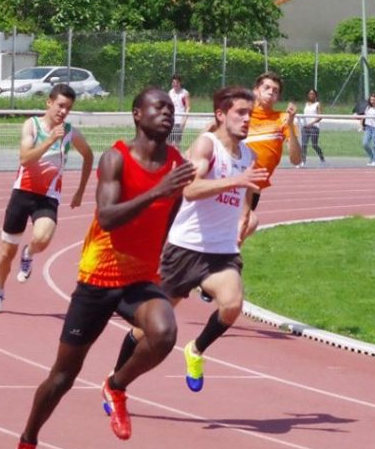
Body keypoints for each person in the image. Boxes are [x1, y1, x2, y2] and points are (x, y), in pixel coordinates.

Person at [8, 87, 197, 449]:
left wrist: (158, 257)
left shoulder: (177, 163)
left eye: (170, 107)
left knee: (164, 333)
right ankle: (27, 442)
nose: (167, 112)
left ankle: (115, 386)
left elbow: (171, 214)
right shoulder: (116, 158)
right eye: (157, 106)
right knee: (62, 377)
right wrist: (159, 189)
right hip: (99, 277)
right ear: (136, 114)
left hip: (140, 277)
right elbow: (109, 216)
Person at [109, 87, 268, 394]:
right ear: (220, 115)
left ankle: (195, 349)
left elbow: (248, 190)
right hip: (184, 250)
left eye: (251, 114)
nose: (248, 119)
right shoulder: (206, 147)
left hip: (221, 251)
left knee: (232, 304)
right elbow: (190, 190)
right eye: (241, 113)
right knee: (145, 329)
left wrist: (244, 215)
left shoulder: (249, 155)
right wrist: (236, 180)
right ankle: (116, 380)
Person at [0, 83, 94, 313]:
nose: (64, 112)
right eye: (60, 106)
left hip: (47, 196)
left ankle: (29, 253)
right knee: (6, 253)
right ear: (49, 103)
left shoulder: (70, 132)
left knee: (43, 238)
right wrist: (49, 141)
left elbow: (89, 155)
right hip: (22, 193)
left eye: (68, 108)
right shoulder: (32, 125)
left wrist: (80, 190)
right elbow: (25, 159)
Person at [242, 72, 300, 209]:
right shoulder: (242, 113)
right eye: (266, 88)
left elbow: (296, 160)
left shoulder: (283, 119)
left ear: (278, 97)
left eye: (275, 91)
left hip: (253, 187)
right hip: (230, 181)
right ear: (255, 90)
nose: (270, 93)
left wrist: (291, 124)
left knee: (243, 226)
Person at [299, 88, 326, 168]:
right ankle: (303, 161)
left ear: (315, 95)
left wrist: (311, 123)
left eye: (313, 94)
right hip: (305, 127)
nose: (311, 95)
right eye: (310, 94)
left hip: (314, 127)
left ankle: (322, 159)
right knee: (304, 144)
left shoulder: (317, 104)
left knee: (314, 145)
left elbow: (320, 117)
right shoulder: (306, 104)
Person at [359, 93, 375, 166]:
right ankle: (371, 156)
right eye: (371, 100)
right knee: (365, 143)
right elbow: (363, 117)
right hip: (368, 128)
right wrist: (361, 125)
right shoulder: (368, 108)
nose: (372, 101)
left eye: (374, 100)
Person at [169, 74, 191, 147]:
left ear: (180, 82)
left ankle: (177, 157)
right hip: (171, 120)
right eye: (173, 83)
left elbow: (188, 107)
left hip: (179, 121)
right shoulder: (170, 92)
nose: (175, 84)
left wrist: (184, 120)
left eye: (177, 83)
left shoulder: (184, 93)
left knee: (176, 143)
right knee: (169, 143)